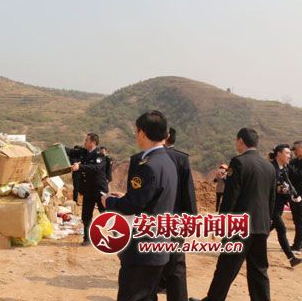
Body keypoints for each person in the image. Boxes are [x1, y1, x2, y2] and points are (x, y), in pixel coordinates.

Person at [189, 128, 276, 301]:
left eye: (236, 141)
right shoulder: (269, 167)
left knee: (226, 267)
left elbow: (231, 197)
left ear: (241, 141)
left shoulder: (239, 162)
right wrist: (267, 223)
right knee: (259, 270)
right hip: (261, 226)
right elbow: (271, 200)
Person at [103, 111, 178, 301]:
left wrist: (108, 202)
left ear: (142, 133)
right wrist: (128, 197)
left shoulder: (148, 166)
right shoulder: (167, 161)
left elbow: (131, 206)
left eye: (136, 132)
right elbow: (152, 199)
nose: (136, 136)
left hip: (142, 250)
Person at [152, 127, 197, 301]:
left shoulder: (150, 157)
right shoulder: (181, 159)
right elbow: (188, 192)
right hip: (176, 219)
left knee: (152, 259)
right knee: (176, 264)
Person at [68, 133, 108, 245]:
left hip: (99, 189)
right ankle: (87, 238)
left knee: (105, 213)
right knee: (86, 215)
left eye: (86, 140)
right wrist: (59, 147)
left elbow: (96, 168)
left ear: (93, 143)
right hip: (88, 189)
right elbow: (71, 152)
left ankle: (115, 234)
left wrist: (80, 166)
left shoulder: (100, 155)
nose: (84, 142)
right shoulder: (84, 152)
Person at [268, 144, 301, 267]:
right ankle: (291, 258)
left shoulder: (285, 169)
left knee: (268, 228)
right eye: (287, 153)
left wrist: (293, 194)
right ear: (278, 154)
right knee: (281, 229)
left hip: (279, 204)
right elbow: (266, 186)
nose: (289, 155)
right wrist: (278, 189)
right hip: (270, 204)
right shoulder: (271, 168)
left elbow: (290, 183)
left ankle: (247, 244)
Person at [289, 141, 302, 253]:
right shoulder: (293, 162)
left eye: (296, 149)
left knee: (299, 221)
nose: (294, 151)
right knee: (296, 220)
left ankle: (297, 245)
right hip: (293, 195)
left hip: (300, 196)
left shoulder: (291, 164)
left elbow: (298, 176)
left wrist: (288, 166)